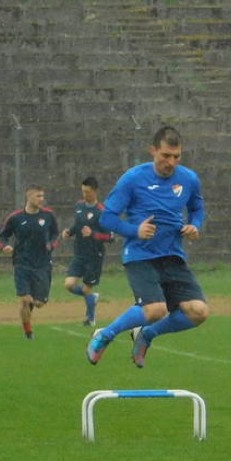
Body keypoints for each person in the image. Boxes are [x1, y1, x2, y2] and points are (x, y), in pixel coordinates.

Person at [86, 125, 209, 368]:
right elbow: (107, 218)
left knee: (198, 311)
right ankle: (104, 335)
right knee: (155, 309)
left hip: (172, 256)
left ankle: (146, 335)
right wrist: (135, 231)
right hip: (140, 256)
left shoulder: (189, 179)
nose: (171, 162)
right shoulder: (133, 179)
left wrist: (195, 225)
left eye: (176, 157)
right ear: (153, 151)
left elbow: (197, 208)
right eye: (165, 156)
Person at [0, 184, 60, 340]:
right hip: (22, 264)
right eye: (38, 196)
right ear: (28, 196)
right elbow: (2, 236)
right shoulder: (16, 218)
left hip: (43, 265)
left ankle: (32, 309)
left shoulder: (48, 216)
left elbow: (55, 235)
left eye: (42, 196)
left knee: (38, 303)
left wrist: (51, 244)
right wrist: (5, 246)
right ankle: (28, 332)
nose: (41, 199)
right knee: (26, 299)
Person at [61, 176, 114, 327]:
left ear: (95, 191)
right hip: (79, 253)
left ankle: (90, 319)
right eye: (83, 191)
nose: (85, 195)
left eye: (88, 192)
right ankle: (91, 298)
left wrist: (93, 234)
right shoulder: (79, 206)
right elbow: (77, 224)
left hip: (94, 255)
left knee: (86, 288)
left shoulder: (102, 211)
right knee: (69, 284)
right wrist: (69, 232)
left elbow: (110, 237)